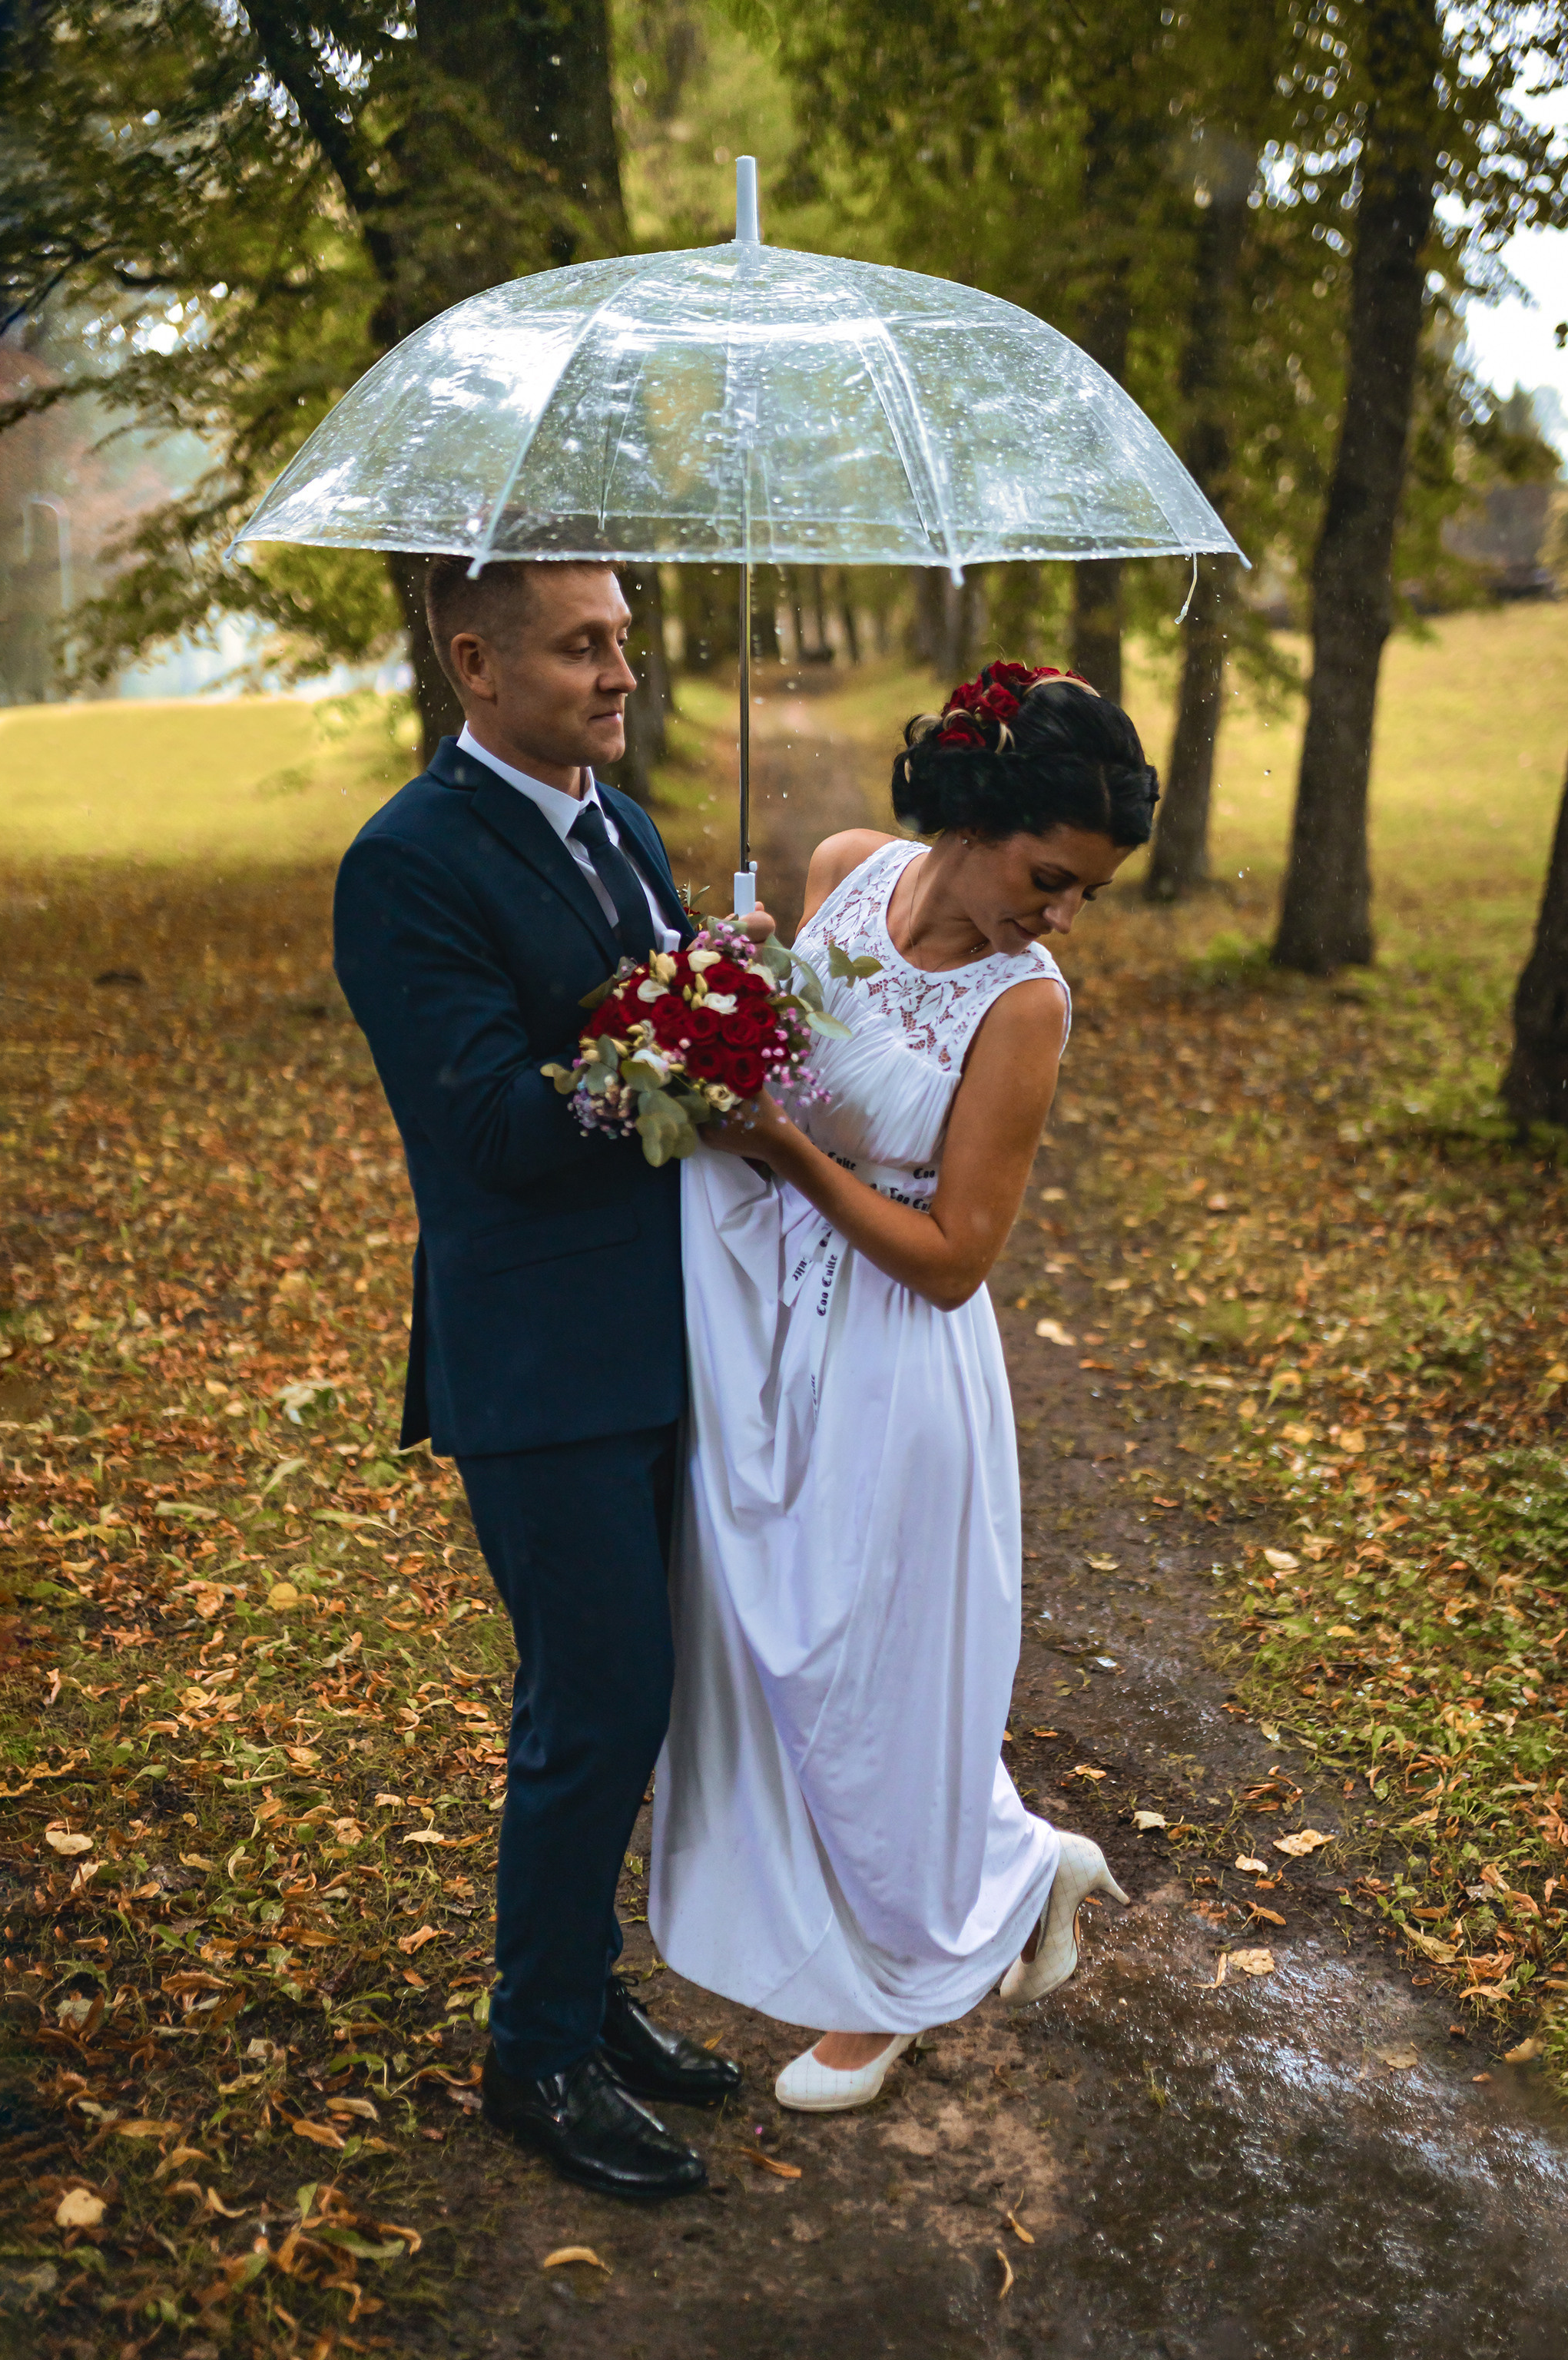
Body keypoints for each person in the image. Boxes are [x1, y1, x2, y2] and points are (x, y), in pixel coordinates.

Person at [650, 661, 1142, 2110]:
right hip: (764, 1320)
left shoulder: (1029, 1005)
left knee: (864, 1672)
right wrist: (729, 1005)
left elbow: (950, 1259)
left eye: (1086, 896)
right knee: (762, 1642)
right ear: (975, 815)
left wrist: (785, 1148)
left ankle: (895, 1976)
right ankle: (1022, 1864)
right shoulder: (844, 872)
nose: (1059, 916)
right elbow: (797, 1061)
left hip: (893, 1359)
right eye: (1050, 877)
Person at [333, 558, 742, 2196]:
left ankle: (581, 1988)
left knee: (623, 1691)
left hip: (669, 1337)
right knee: (601, 1698)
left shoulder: (626, 828)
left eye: (625, 644)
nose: (617, 674)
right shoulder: (405, 862)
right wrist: (682, 1024)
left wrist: (728, 975)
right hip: (539, 1361)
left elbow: (664, 1047)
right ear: (475, 661)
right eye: (583, 647)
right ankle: (535, 2054)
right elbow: (495, 1129)